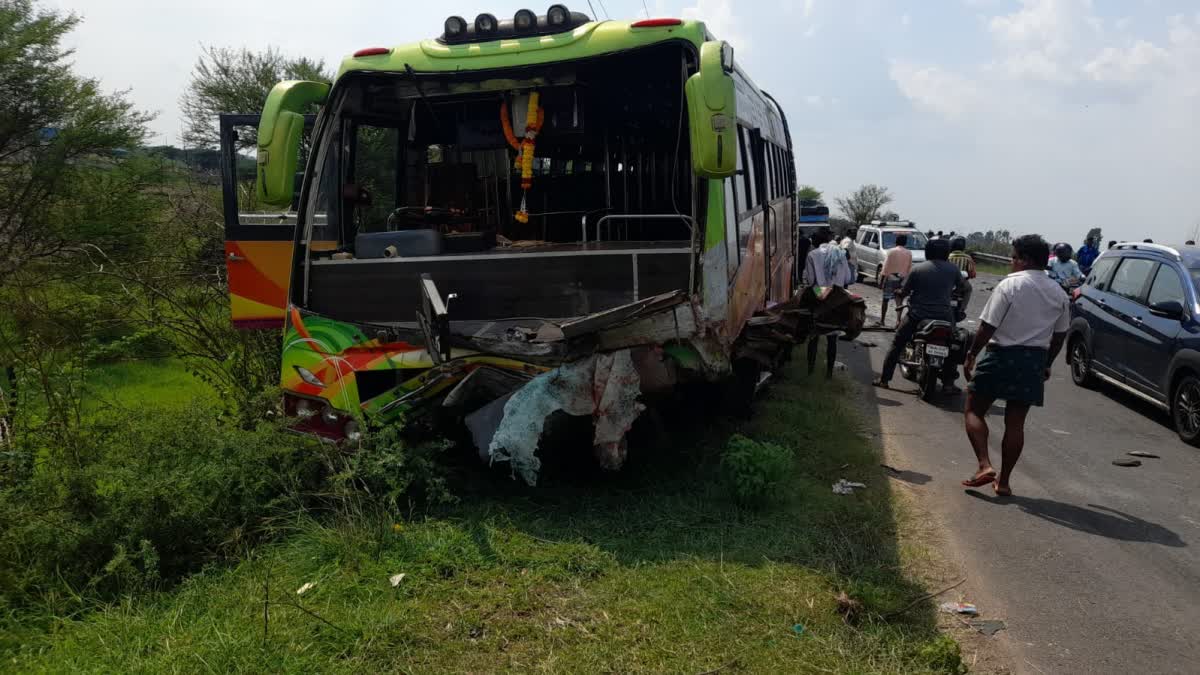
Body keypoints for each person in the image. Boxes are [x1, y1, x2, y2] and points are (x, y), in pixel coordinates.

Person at [961, 235, 1069, 496]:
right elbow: (1060, 335)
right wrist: (1047, 363)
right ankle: (1005, 481)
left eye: (1013, 257)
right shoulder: (1059, 292)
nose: (1011, 262)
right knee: (1016, 423)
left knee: (974, 410)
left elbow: (988, 325)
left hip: (1001, 354)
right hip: (1032, 360)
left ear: (1024, 260)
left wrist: (972, 353)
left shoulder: (1010, 286)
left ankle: (984, 465)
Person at [874, 238, 967, 391]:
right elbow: (964, 288)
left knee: (897, 343)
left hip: (918, 316)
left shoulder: (918, 269)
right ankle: (949, 383)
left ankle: (884, 379)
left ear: (928, 251)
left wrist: (899, 292)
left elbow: (904, 291)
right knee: (953, 345)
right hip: (945, 316)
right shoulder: (953, 270)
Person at [803, 230, 852, 378]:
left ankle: (810, 371)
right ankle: (829, 374)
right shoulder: (841, 253)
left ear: (814, 242)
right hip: (836, 299)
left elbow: (811, 281)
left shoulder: (812, 255)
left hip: (819, 298)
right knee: (832, 339)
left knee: (814, 336)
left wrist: (820, 290)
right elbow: (848, 278)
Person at [878, 233, 913, 327]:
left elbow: (885, 267)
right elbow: (909, 268)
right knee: (899, 301)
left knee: (885, 300)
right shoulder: (909, 253)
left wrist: (881, 281)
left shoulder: (891, 251)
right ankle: (898, 321)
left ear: (896, 241)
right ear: (905, 243)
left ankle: (882, 320)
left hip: (891, 278)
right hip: (902, 279)